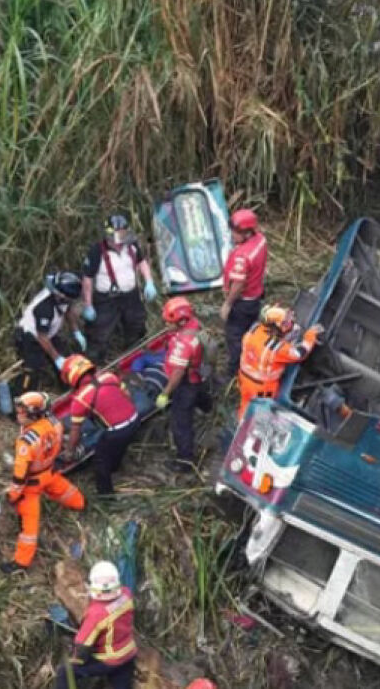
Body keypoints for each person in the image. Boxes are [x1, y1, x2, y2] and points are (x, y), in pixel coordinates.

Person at [4, 393, 85, 572]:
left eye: (21, 412)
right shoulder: (55, 424)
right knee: (68, 493)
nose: (18, 415)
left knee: (29, 527)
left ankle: (21, 563)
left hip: (31, 485)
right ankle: (81, 504)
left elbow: (20, 475)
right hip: (49, 472)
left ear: (33, 414)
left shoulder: (26, 442)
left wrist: (13, 495)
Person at [81, 214, 158, 362]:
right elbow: (87, 279)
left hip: (131, 296)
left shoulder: (132, 245)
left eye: (124, 233)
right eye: (119, 234)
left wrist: (149, 282)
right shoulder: (97, 251)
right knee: (99, 332)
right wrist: (88, 305)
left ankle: (134, 356)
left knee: (136, 325)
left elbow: (142, 262)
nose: (121, 238)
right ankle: (96, 364)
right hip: (107, 300)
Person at [61, 356, 141, 496]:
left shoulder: (79, 399)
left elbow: (76, 432)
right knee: (118, 445)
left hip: (117, 430)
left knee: (100, 460)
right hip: (135, 419)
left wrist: (69, 452)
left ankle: (106, 495)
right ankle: (115, 467)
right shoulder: (109, 376)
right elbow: (127, 395)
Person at [53, 561, 137, 689]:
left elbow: (82, 645)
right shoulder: (126, 594)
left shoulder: (97, 612)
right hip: (129, 653)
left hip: (109, 659)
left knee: (65, 672)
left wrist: (75, 659)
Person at [154, 297, 213, 473]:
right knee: (201, 394)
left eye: (169, 322)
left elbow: (177, 374)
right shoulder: (194, 325)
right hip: (198, 374)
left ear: (181, 321)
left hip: (186, 383)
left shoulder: (183, 344)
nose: (166, 325)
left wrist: (166, 393)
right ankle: (208, 407)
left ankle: (185, 460)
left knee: (180, 423)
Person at [238, 306, 324, 420]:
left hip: (244, 381)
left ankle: (241, 423)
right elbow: (300, 353)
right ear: (276, 326)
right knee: (260, 415)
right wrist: (310, 336)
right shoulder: (276, 349)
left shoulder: (254, 330)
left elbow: (264, 344)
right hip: (263, 389)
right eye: (285, 322)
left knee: (245, 406)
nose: (289, 323)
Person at [15, 271, 87, 394]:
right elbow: (42, 337)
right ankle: (22, 399)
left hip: (47, 333)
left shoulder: (63, 298)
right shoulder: (44, 308)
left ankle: (67, 389)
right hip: (31, 336)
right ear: (60, 295)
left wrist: (76, 332)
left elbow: (68, 311)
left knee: (66, 360)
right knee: (32, 369)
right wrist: (57, 358)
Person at [220, 209, 268, 380]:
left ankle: (235, 371)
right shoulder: (261, 240)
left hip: (242, 303)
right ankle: (251, 357)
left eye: (235, 233)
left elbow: (238, 285)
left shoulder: (242, 256)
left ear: (247, 233)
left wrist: (228, 304)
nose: (232, 235)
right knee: (250, 331)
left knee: (234, 336)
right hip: (255, 297)